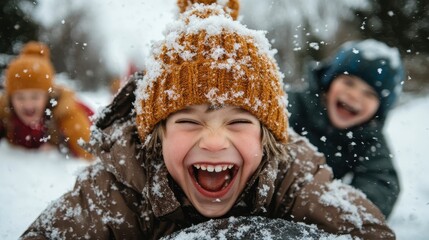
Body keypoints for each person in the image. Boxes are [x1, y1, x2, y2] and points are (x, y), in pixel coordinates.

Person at [21, 1, 395, 239]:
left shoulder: (288, 171)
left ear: (268, 136)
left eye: (238, 122)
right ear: (155, 135)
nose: (214, 142)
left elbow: (368, 229)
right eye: (187, 121)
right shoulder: (120, 182)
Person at [287, 39, 404, 218]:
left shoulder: (368, 136)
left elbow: (381, 183)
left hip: (314, 205)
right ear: (328, 83)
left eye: (370, 94)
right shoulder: (294, 105)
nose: (355, 96)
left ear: (378, 110)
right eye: (349, 83)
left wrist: (342, 210)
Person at [0, 41, 94, 160]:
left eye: (35, 97)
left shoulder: (65, 112)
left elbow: (90, 151)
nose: (28, 104)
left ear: (48, 96)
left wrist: (65, 142)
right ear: (10, 98)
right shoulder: (5, 112)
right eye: (20, 97)